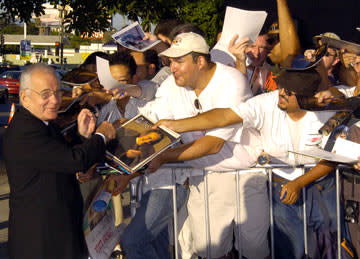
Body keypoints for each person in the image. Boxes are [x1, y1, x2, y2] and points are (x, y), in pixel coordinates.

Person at [155, 69, 346, 258]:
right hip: (282, 185)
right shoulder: (266, 103)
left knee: (330, 245)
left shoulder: (326, 112)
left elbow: (333, 157)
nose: (281, 93)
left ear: (306, 98)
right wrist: (175, 125)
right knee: (289, 249)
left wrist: (299, 183)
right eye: (281, 87)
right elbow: (224, 116)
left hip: (322, 185)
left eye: (289, 92)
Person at [144, 32, 269, 259]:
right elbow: (150, 119)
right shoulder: (172, 86)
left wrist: (163, 157)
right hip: (205, 176)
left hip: (247, 175)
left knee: (254, 250)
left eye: (179, 61)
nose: (172, 68)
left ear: (200, 61)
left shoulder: (231, 81)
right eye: (170, 61)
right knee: (208, 251)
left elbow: (213, 144)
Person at [3, 64, 116, 259]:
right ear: (24, 97)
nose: (55, 100)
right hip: (40, 239)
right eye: (45, 94)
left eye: (57, 92)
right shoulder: (25, 131)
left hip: (56, 232)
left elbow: (60, 157)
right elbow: (73, 160)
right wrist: (100, 136)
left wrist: (83, 136)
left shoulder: (42, 123)